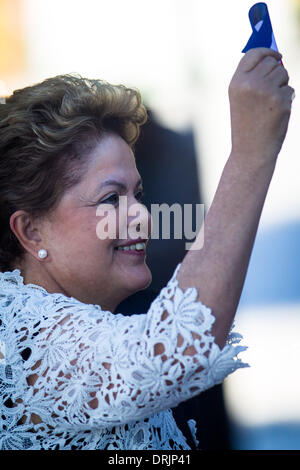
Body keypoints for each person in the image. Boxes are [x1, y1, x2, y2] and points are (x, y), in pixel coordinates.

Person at [0, 48, 294, 450]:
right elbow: (179, 346)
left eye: (137, 194)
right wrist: (251, 151)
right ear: (31, 232)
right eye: (110, 199)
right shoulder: (27, 338)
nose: (142, 216)